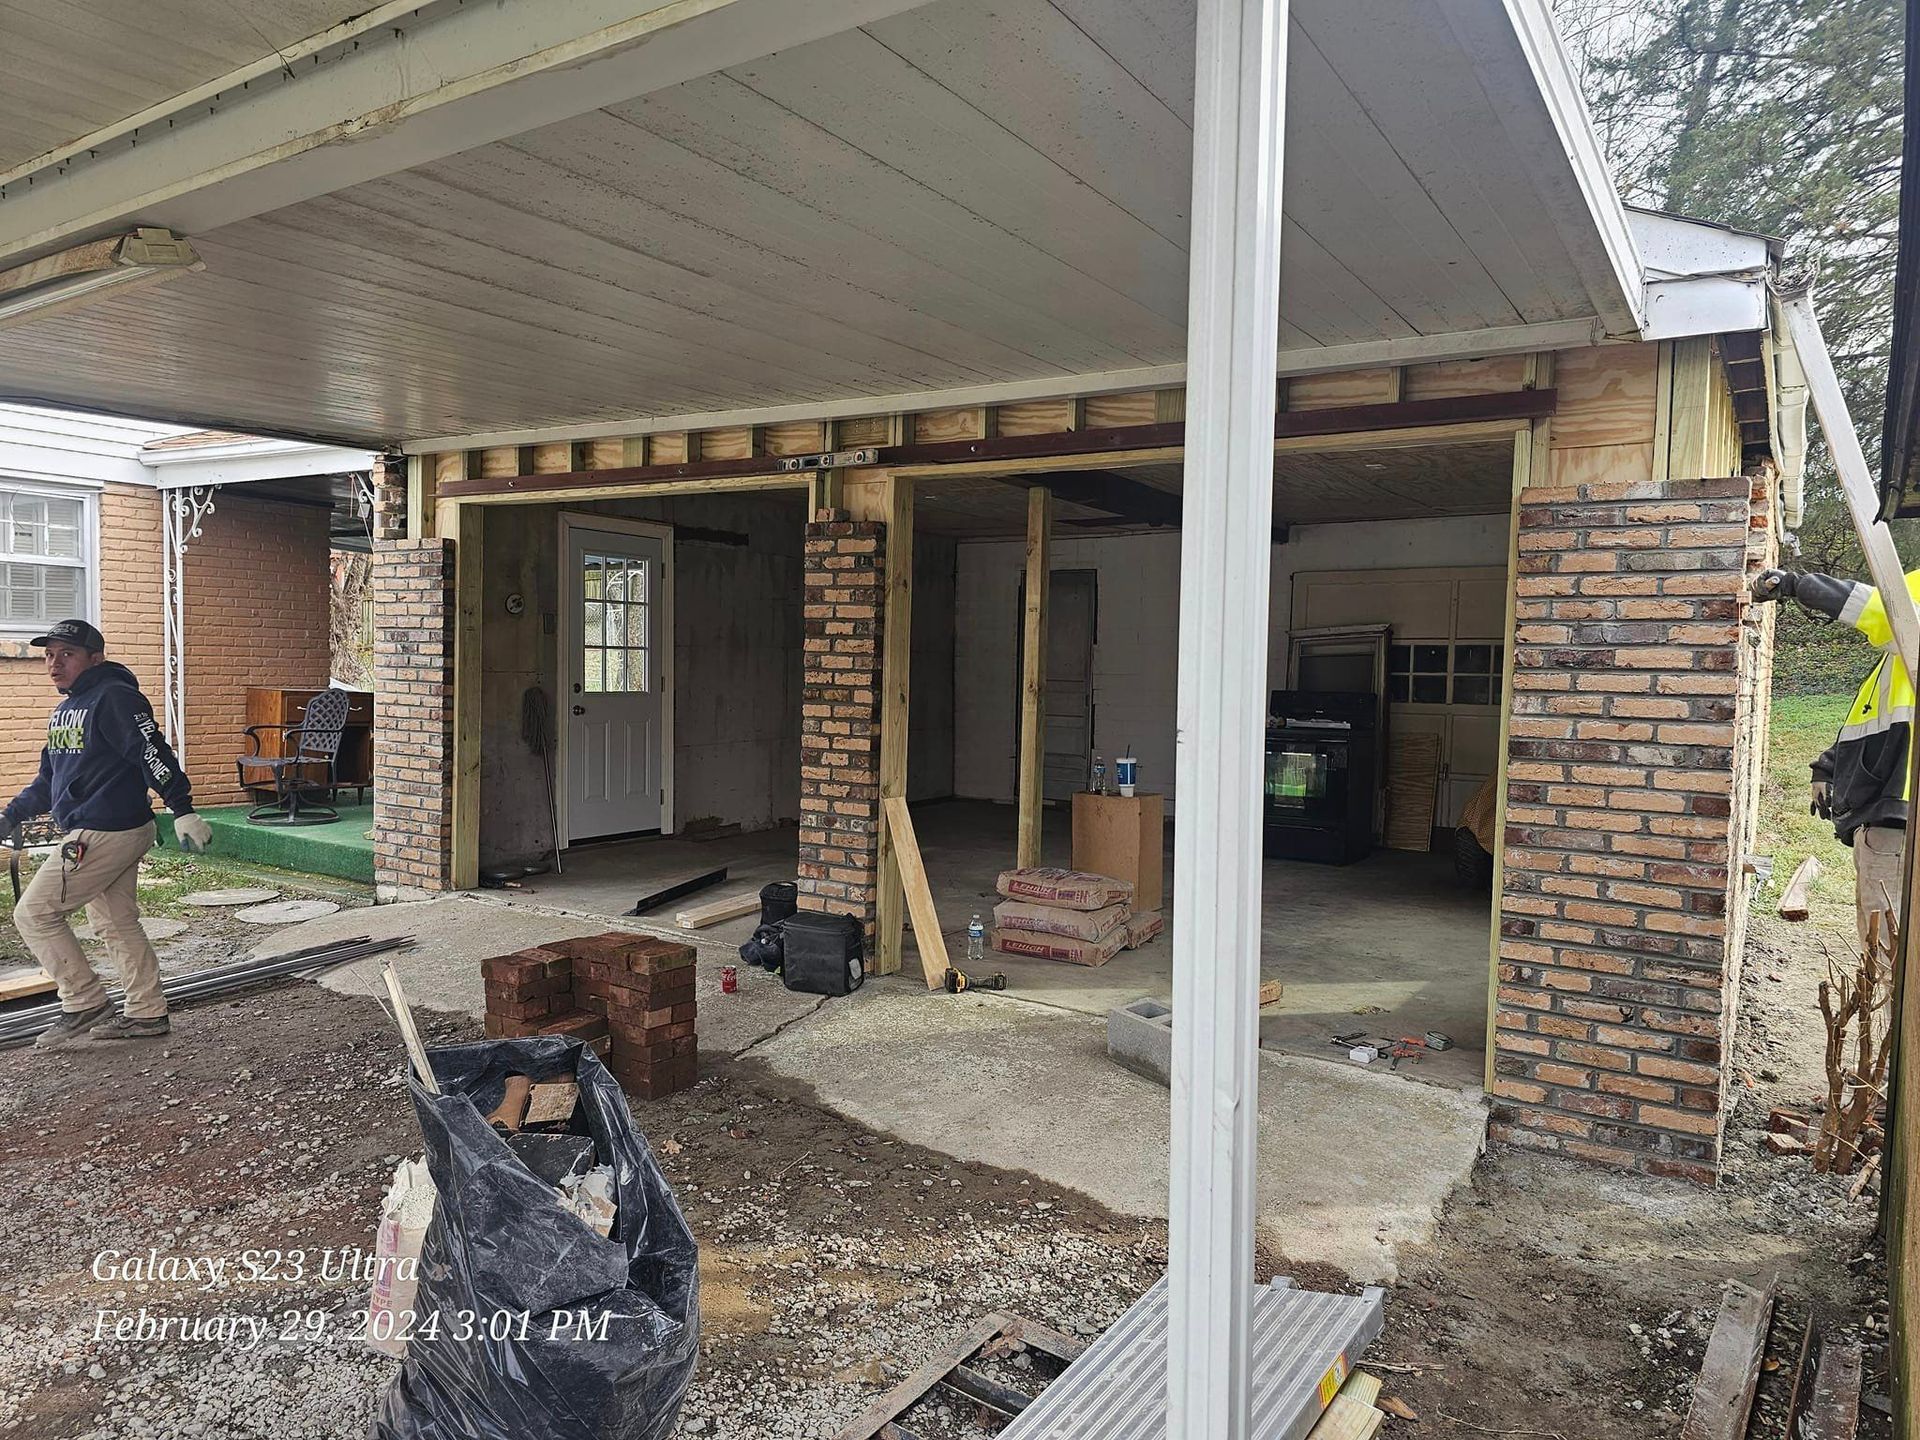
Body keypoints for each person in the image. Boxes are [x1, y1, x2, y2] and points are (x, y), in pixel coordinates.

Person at [2, 620, 213, 1048]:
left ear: (95, 657)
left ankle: (84, 1003)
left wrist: (182, 808)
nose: (54, 663)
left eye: (67, 654)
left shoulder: (114, 697)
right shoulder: (66, 710)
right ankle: (146, 1013)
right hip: (103, 827)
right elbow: (48, 781)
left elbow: (150, 751)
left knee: (34, 914)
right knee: (116, 923)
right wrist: (8, 818)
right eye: (49, 654)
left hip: (104, 828)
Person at [1751, 565, 1918, 952]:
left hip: (1901, 824)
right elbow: (1873, 721)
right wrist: (1826, 766)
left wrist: (1794, 584)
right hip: (1887, 819)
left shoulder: (1913, 638)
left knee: (1890, 951)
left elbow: (1874, 608)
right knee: (1878, 936)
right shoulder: (1897, 666)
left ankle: (1885, 1013)